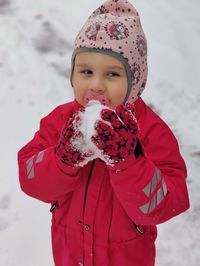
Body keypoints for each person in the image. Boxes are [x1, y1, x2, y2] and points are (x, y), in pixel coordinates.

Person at [17, 1, 190, 265]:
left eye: (112, 74)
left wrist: (128, 162)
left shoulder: (151, 130)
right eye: (86, 71)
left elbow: (167, 203)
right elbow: (30, 179)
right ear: (73, 75)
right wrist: (63, 159)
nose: (96, 85)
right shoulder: (60, 121)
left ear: (135, 81)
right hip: (70, 255)